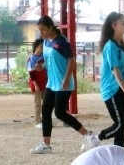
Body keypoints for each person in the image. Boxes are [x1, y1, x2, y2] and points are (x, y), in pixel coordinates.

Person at [30, 16, 101, 154]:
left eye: (43, 29)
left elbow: (71, 60)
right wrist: (41, 66)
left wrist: (67, 78)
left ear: (50, 27)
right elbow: (48, 61)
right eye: (40, 31)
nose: (41, 33)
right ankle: (46, 145)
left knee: (60, 112)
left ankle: (88, 135)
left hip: (64, 83)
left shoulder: (62, 41)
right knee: (46, 111)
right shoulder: (45, 43)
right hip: (52, 83)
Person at [97, 12, 124, 147]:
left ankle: (118, 152)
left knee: (123, 126)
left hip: (120, 87)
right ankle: (96, 139)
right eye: (123, 23)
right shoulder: (110, 46)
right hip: (111, 89)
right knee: (119, 125)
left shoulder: (121, 45)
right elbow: (115, 69)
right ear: (114, 25)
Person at [27, 38, 47, 128]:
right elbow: (31, 73)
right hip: (36, 83)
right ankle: (37, 121)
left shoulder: (44, 57)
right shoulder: (32, 58)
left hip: (45, 82)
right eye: (40, 46)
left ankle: (46, 120)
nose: (42, 48)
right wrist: (35, 85)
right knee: (37, 103)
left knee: (46, 103)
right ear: (36, 47)